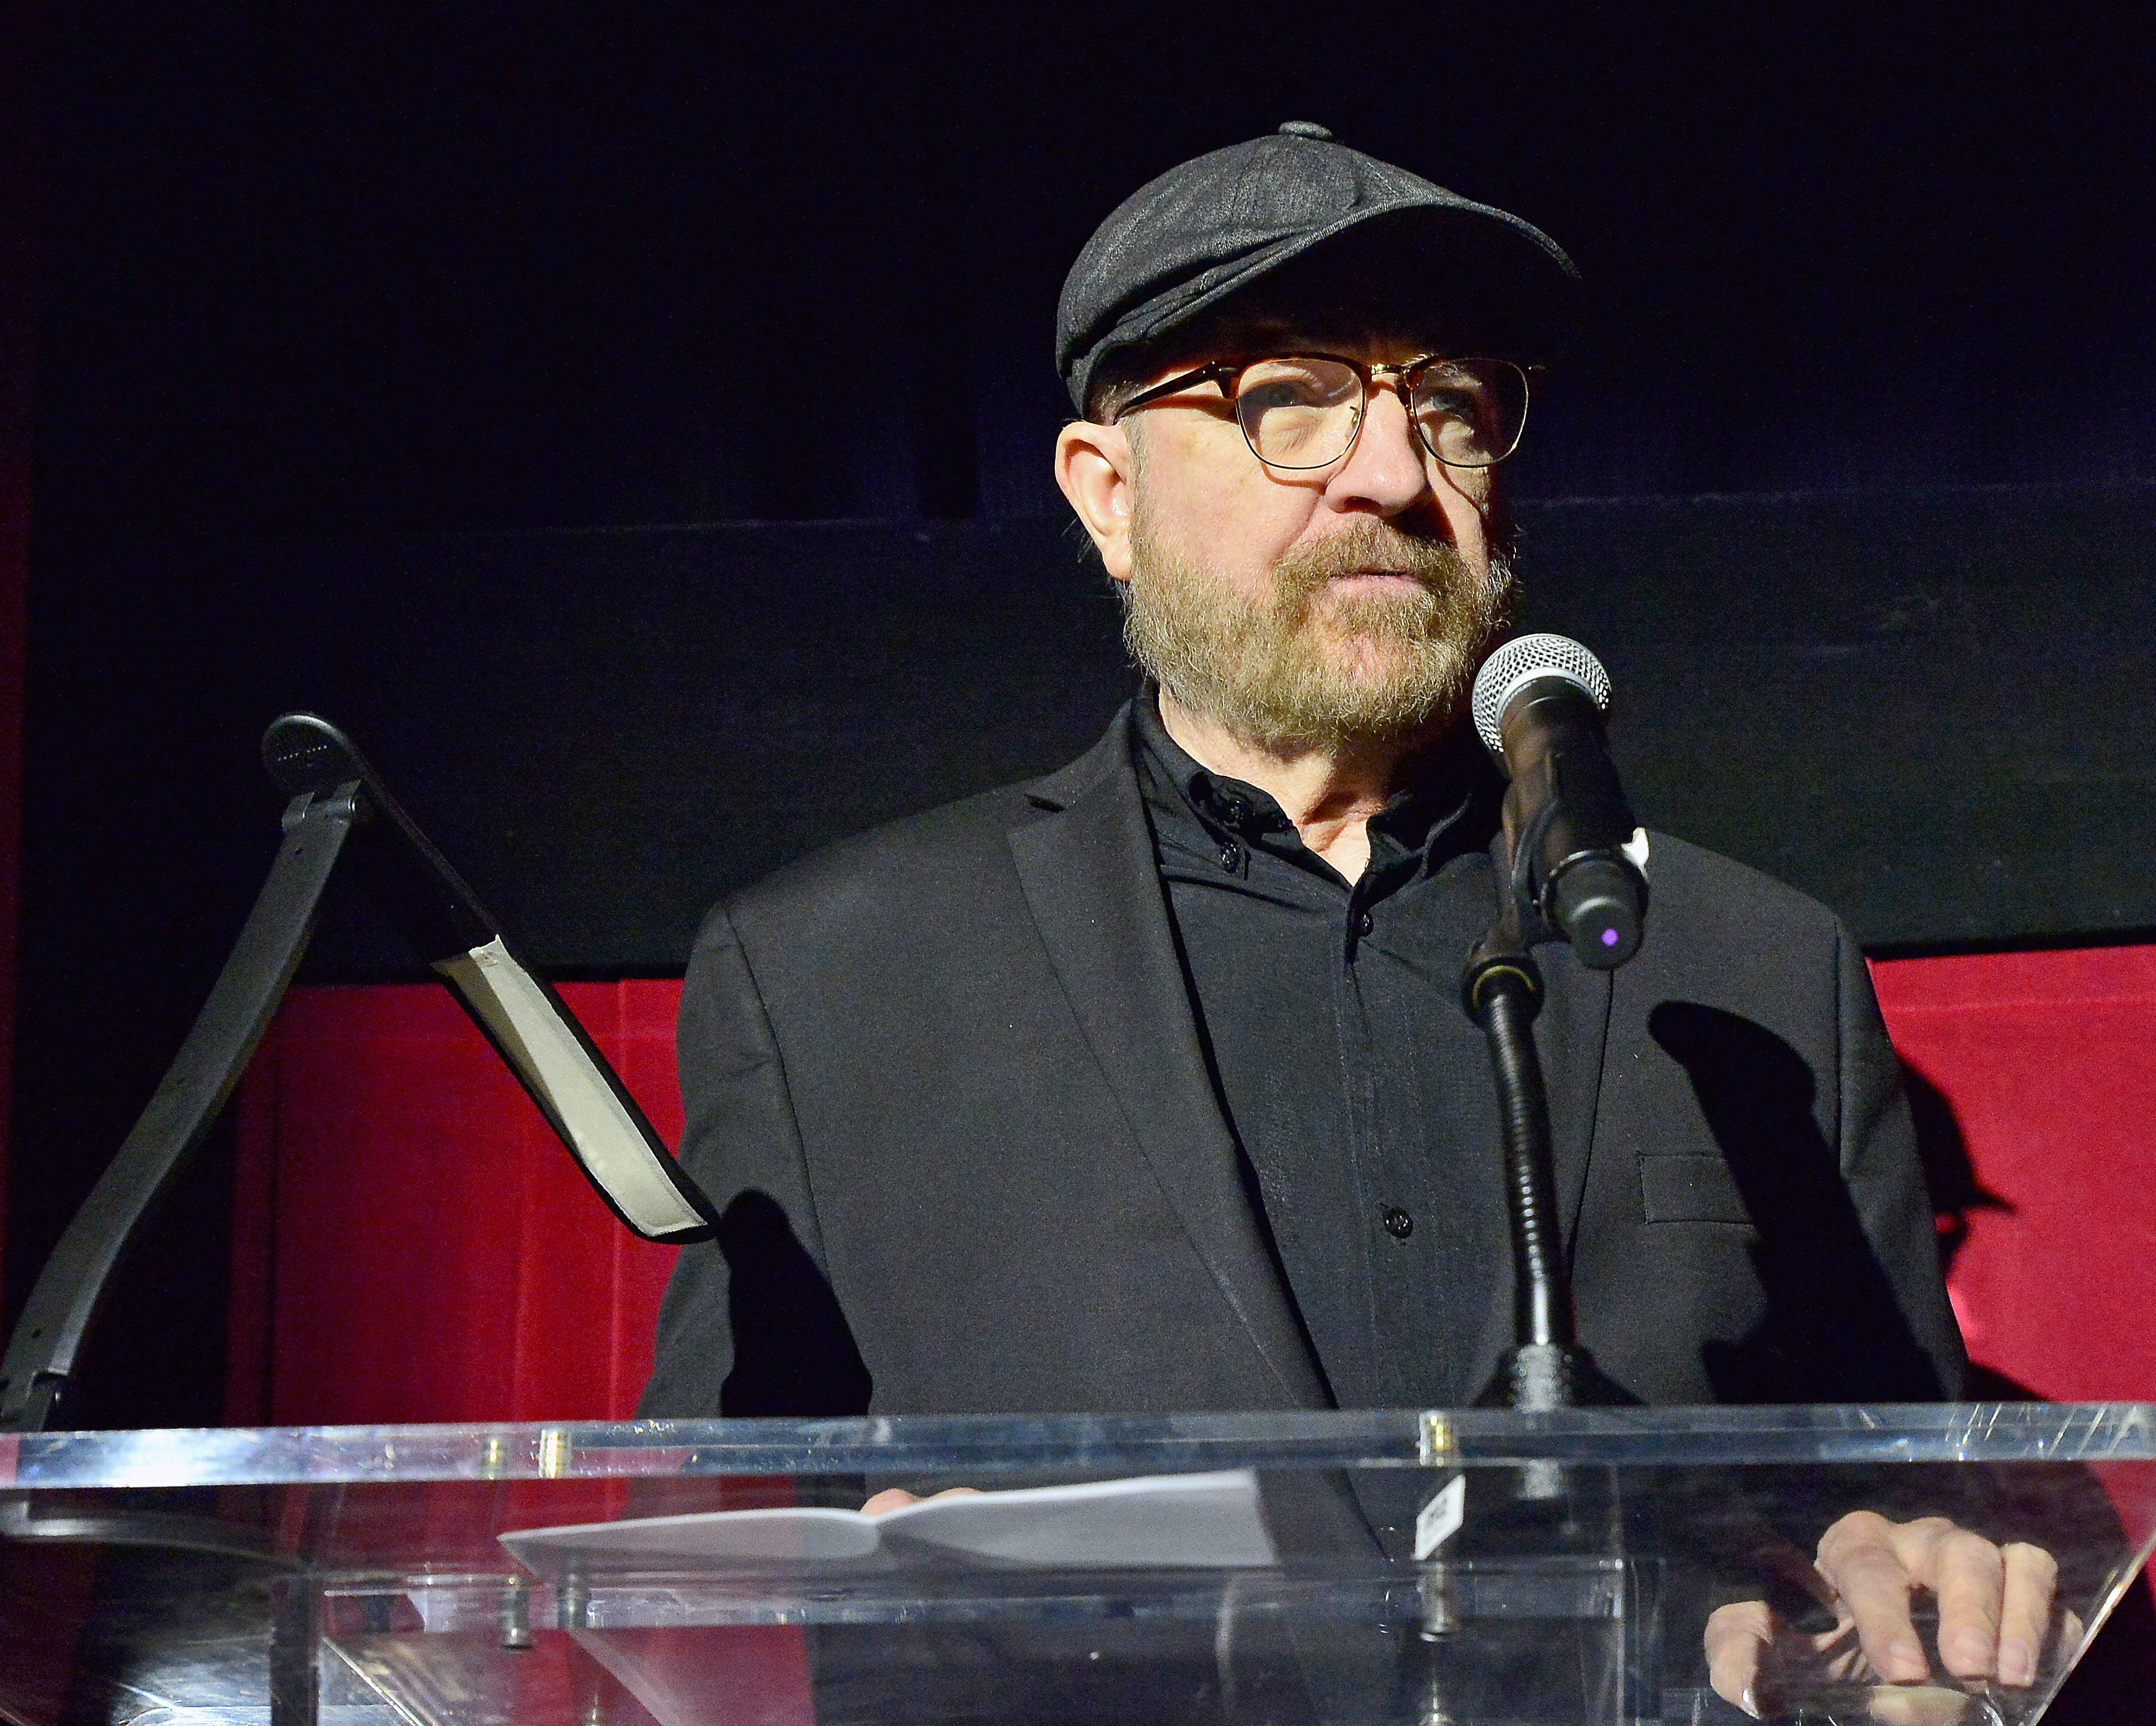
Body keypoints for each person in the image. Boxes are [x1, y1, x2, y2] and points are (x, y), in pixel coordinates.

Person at [639, 123, 2056, 1714]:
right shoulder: (836, 978)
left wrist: (1880, 1595)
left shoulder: (1753, 972)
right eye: (1288, 396)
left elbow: (1912, 1512)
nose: (1392, 474)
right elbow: (696, 1570)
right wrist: (865, 1580)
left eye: (1447, 403)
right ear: (1103, 492)